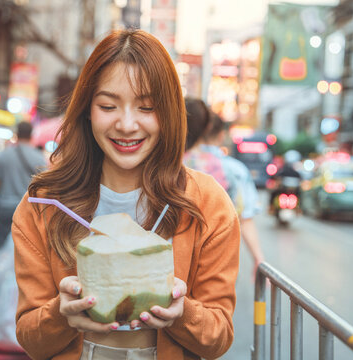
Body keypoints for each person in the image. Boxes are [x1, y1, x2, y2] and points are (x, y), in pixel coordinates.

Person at [12, 29, 241, 360]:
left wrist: (182, 314)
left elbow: (218, 338)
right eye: (108, 105)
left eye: (147, 107)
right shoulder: (45, 203)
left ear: (171, 113)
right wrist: (60, 316)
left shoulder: (206, 203)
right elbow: (30, 339)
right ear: (87, 109)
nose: (127, 124)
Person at [184, 98, 264, 276]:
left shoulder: (170, 164)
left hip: (174, 258)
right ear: (220, 135)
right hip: (218, 261)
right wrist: (258, 258)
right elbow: (245, 218)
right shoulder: (234, 170)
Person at [0, 121, 46, 247]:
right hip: (28, 210)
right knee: (23, 247)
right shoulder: (39, 158)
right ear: (31, 135)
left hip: (5, 207)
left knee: (2, 246)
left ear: (17, 134)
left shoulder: (4, 155)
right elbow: (44, 187)